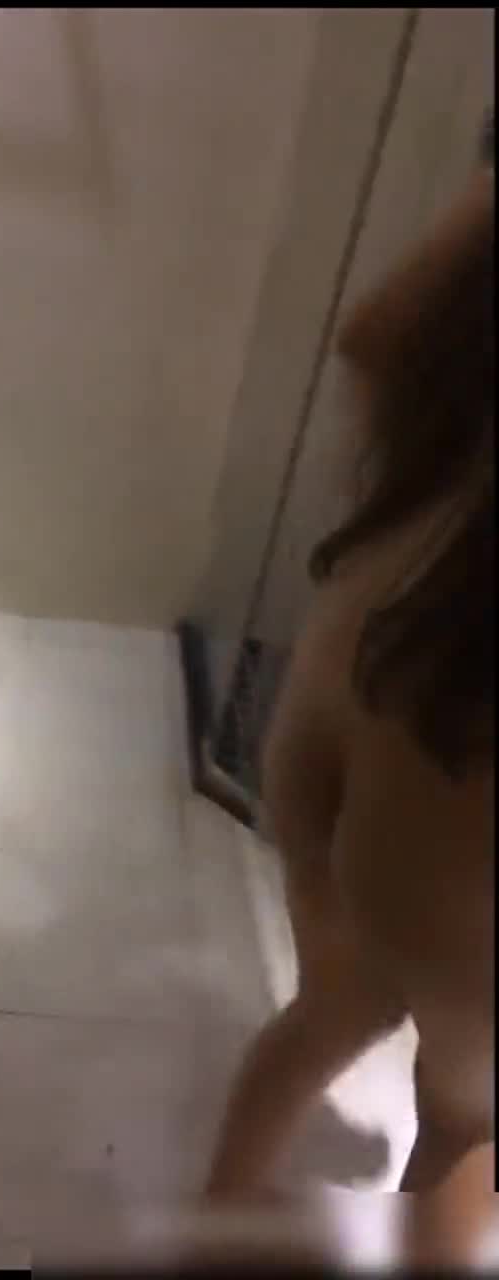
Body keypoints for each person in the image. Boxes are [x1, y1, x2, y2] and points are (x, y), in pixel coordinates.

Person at [206, 167, 495, 1261]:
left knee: (330, 1008)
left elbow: (373, 341)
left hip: (347, 700)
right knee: (467, 1117)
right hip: (459, 810)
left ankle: (217, 1220)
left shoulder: (443, 445)